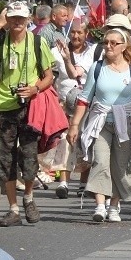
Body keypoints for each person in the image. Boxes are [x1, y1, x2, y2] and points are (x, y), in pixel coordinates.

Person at [68, 29, 131, 222]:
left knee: (121, 166)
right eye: (106, 42)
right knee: (100, 160)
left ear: (124, 47)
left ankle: (114, 206)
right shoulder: (97, 68)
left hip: (126, 123)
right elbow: (84, 98)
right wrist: (74, 125)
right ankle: (100, 205)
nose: (108, 46)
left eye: (114, 43)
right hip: (101, 122)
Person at [0, 1, 55, 228]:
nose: (17, 22)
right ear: (7, 19)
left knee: (29, 155)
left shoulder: (38, 42)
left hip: (30, 107)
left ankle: (28, 197)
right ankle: (12, 208)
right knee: (4, 159)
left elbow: (49, 76)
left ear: (29, 19)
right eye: (13, 18)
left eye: (21, 18)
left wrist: (35, 88)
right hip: (2, 107)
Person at [52, 20, 96, 198]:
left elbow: (77, 73)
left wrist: (68, 60)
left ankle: (83, 183)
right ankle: (64, 182)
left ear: (86, 34)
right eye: (73, 32)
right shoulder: (55, 51)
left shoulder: (93, 51)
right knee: (64, 141)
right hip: (63, 102)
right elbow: (50, 75)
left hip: (87, 103)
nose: (76, 36)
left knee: (85, 141)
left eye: (80, 32)